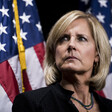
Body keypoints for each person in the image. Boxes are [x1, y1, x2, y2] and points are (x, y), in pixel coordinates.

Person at [12, 10, 112, 112]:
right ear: (54, 52)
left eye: (81, 38)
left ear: (97, 54)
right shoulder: (32, 103)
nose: (71, 45)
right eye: (64, 38)